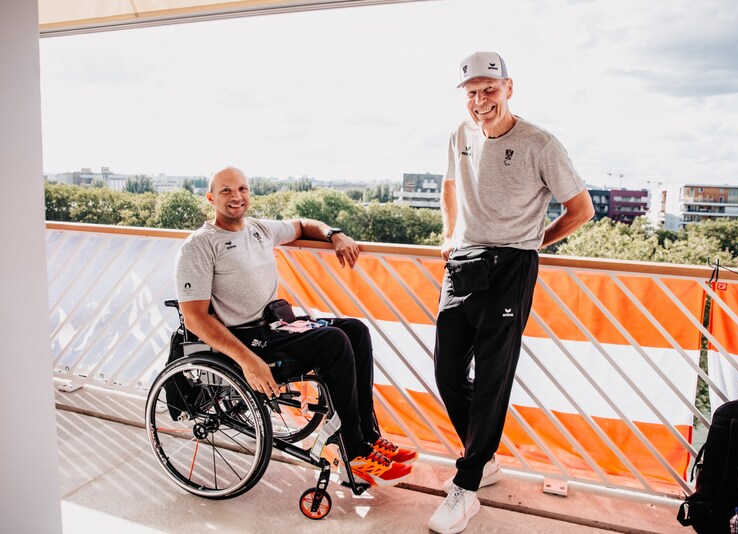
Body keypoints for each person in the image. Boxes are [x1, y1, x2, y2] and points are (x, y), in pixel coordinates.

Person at [428, 52, 594, 533]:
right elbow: (449, 185)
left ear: (509, 88)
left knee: (494, 378)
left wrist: (533, 241)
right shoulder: (460, 134)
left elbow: (581, 209)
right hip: (463, 263)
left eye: (490, 89)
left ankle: (468, 483)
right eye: (472, 92)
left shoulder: (540, 144)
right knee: (446, 371)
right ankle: (485, 458)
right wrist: (448, 232)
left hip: (512, 268)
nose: (481, 101)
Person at [174, 166, 416, 488]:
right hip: (246, 339)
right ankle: (353, 450)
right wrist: (249, 361)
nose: (237, 197)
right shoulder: (200, 245)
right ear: (210, 198)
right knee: (333, 342)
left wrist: (334, 234)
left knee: (356, 330)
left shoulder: (259, 229)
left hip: (275, 325)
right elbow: (195, 318)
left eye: (242, 189)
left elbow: (302, 224)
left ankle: (368, 438)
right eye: (226, 191)